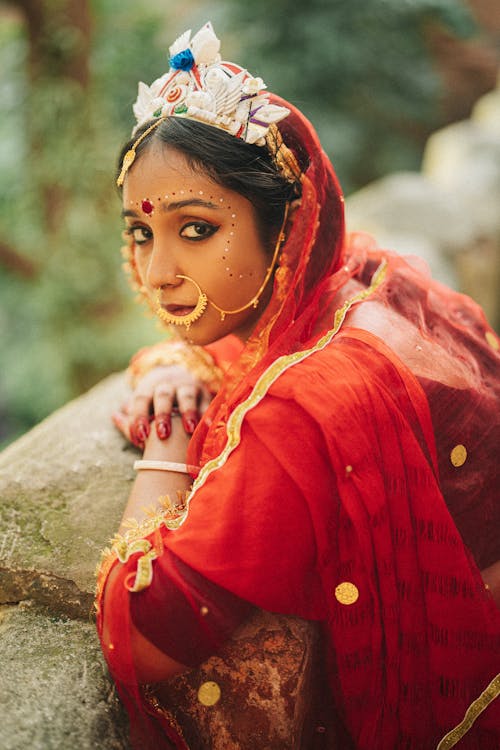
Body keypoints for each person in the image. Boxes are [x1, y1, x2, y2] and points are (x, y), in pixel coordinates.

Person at [95, 21, 500, 750]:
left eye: (195, 231)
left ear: (287, 229)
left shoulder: (301, 409)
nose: (156, 274)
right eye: (140, 233)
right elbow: (211, 352)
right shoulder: (368, 275)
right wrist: (170, 363)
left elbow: (142, 634)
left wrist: (171, 436)